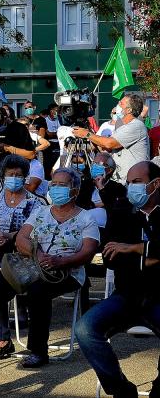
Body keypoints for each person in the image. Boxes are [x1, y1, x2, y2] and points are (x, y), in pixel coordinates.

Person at [0, 167, 98, 367]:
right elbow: (21, 238)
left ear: (75, 190)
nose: (56, 189)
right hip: (32, 266)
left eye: (62, 185)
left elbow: (88, 252)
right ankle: (2, 340)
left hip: (66, 272)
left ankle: (38, 350)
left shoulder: (86, 218)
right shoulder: (41, 212)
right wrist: (37, 254)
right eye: (53, 184)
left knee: (38, 292)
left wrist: (61, 261)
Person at [76, 161, 160, 398]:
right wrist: (150, 255)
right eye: (129, 182)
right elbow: (111, 257)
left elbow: (124, 250)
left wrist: (132, 248)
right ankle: (121, 390)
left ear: (156, 184)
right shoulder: (122, 212)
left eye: (137, 182)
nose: (131, 187)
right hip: (127, 294)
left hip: (158, 296)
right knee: (85, 329)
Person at [73, 94, 150, 183]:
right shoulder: (121, 126)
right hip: (120, 179)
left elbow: (110, 143)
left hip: (133, 181)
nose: (118, 105)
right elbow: (106, 148)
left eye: (121, 103)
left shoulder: (136, 125)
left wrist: (87, 134)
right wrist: (87, 138)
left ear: (129, 110)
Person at [0, 155, 42, 258]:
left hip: (19, 252)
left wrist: (10, 237)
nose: (14, 178)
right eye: (11, 174)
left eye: (18, 175)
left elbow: (36, 230)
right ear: (3, 176)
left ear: (24, 177)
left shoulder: (34, 202)